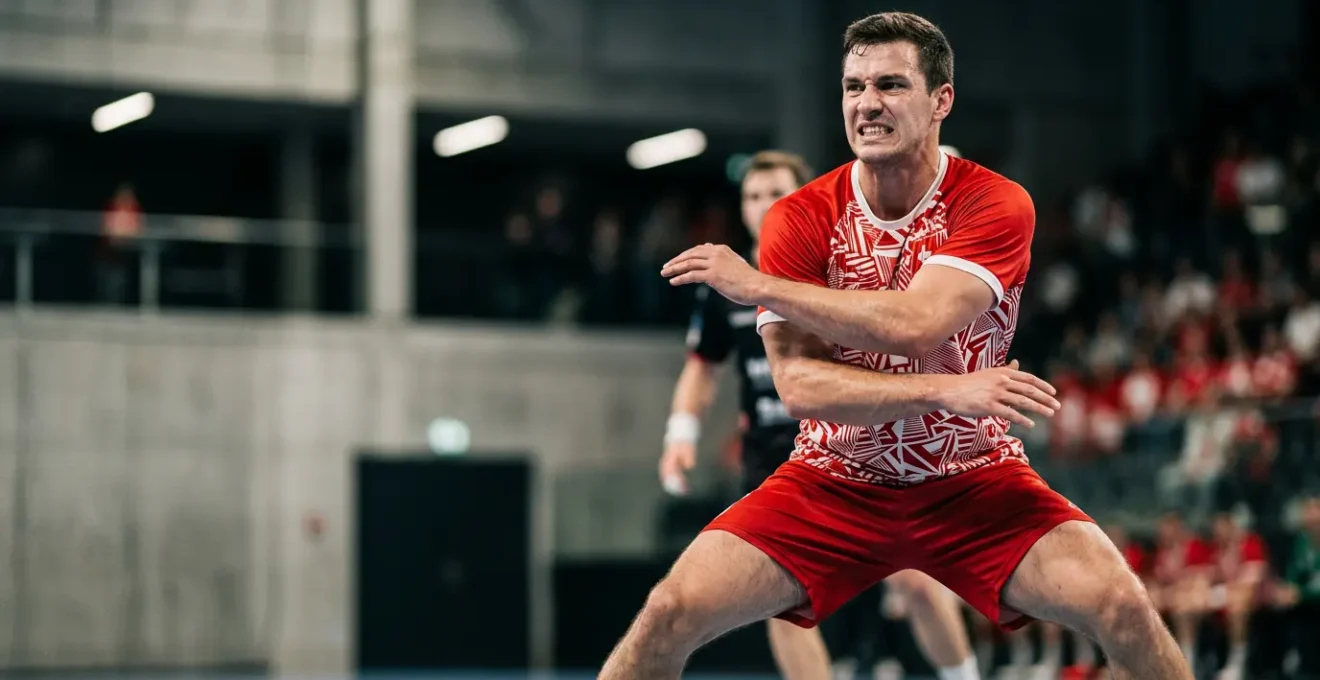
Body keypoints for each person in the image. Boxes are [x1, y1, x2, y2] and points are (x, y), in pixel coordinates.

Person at [601, 11, 1192, 680]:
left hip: (974, 477)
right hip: (832, 479)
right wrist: (947, 388)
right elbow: (801, 388)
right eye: (853, 87)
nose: (867, 104)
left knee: (1123, 606)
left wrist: (762, 285)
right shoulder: (798, 217)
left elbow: (917, 324)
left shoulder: (995, 203)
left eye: (889, 84)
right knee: (668, 609)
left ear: (942, 100)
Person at [662, 150, 980, 680]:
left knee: (916, 581)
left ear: (804, 199)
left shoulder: (844, 267)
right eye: (753, 196)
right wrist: (681, 432)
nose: (764, 205)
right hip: (774, 465)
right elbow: (702, 367)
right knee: (784, 608)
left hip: (859, 453)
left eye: (776, 193)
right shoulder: (726, 287)